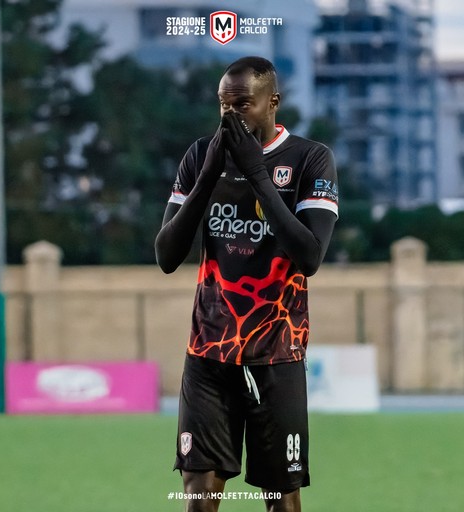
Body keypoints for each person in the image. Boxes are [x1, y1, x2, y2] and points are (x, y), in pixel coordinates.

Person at [155, 56, 338, 512]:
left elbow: (310, 255)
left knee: (280, 498)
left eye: (243, 105)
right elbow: (166, 255)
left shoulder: (310, 159)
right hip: (208, 355)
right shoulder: (200, 155)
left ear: (272, 102)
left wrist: (257, 174)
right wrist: (211, 170)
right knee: (199, 494)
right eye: (223, 107)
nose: (231, 117)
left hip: (276, 354)